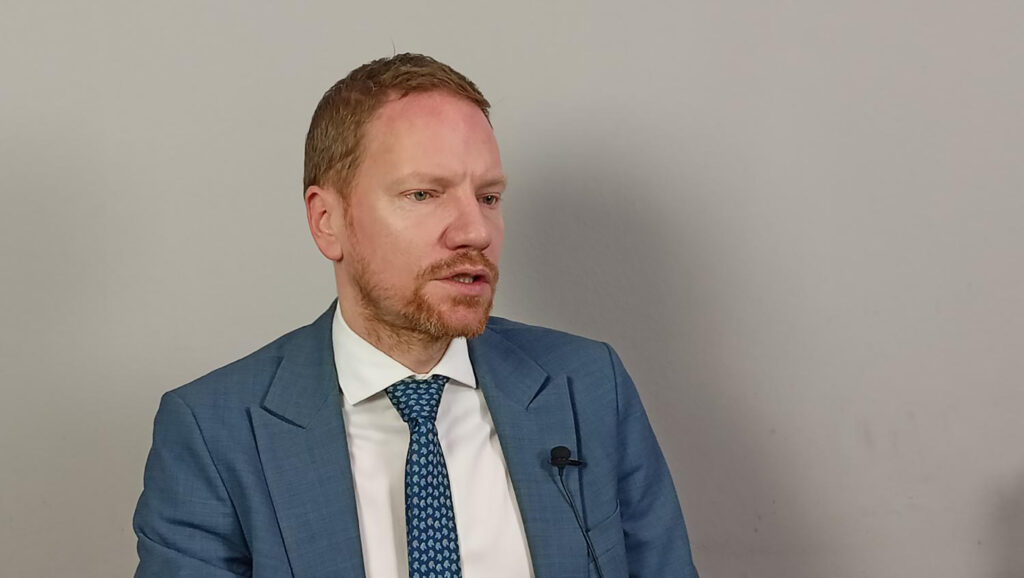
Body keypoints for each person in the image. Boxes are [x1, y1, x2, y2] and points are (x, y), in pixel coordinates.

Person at [133, 53, 699, 578]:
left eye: (489, 197)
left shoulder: (589, 387)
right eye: (424, 194)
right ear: (328, 221)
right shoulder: (215, 433)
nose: (475, 231)